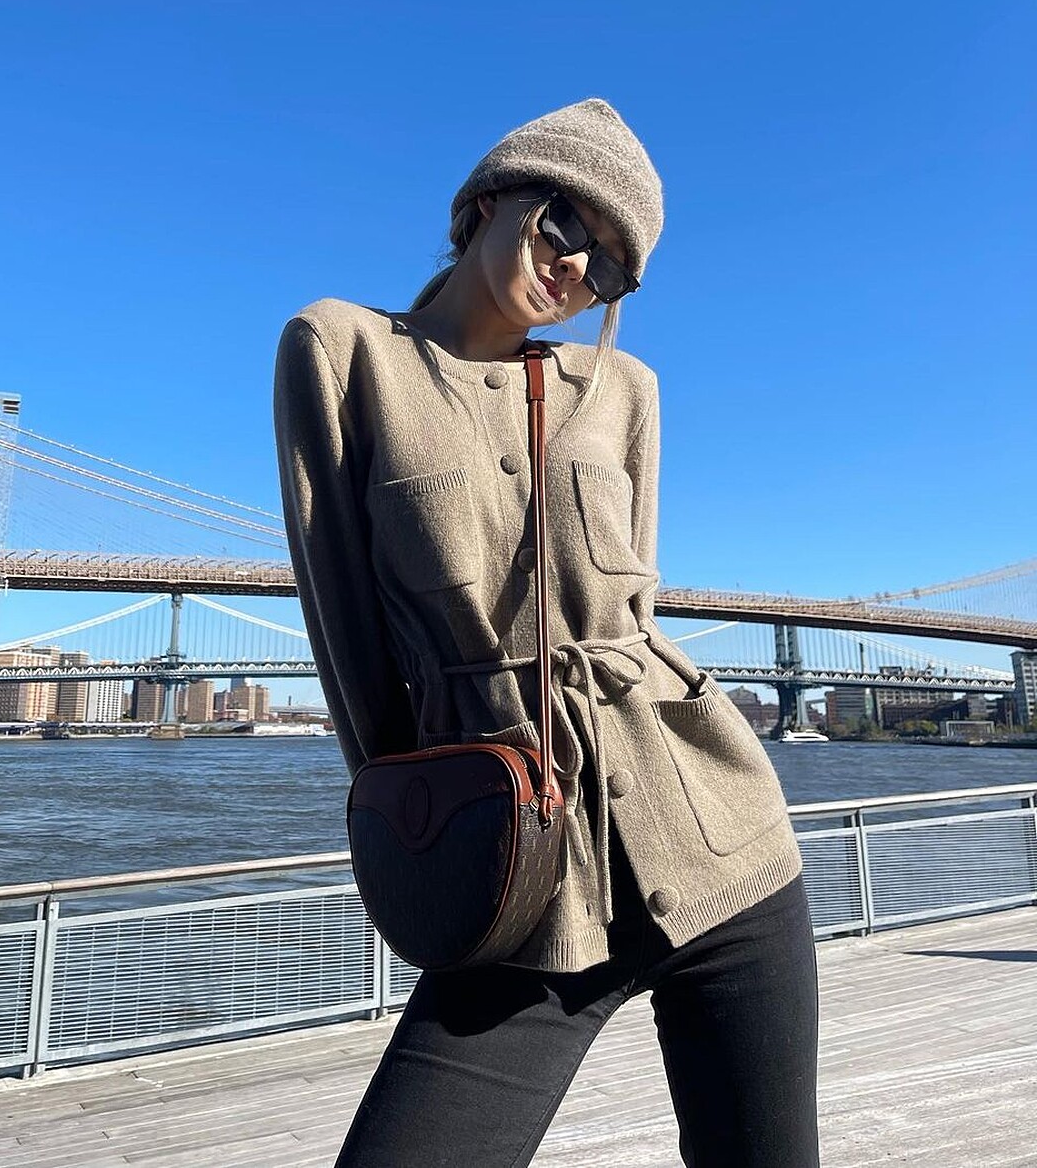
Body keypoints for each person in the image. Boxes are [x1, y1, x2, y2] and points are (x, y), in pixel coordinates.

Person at [273, 99, 820, 1168]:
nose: (576, 268)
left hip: (725, 847)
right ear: (489, 199)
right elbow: (351, 650)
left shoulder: (624, 390)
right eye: (567, 225)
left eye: (608, 268)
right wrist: (428, 838)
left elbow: (635, 626)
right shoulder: (341, 351)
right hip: (521, 880)